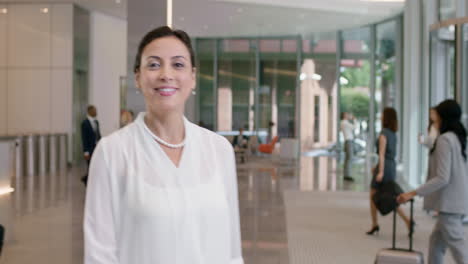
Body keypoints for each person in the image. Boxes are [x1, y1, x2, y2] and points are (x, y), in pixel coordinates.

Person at [84, 26, 243, 264]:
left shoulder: (219, 149)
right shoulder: (112, 152)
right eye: (154, 64)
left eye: (178, 64)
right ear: (137, 77)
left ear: (192, 77)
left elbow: (232, 251)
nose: (166, 74)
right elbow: (100, 254)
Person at [398, 99, 468, 264]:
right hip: (456, 201)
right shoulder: (458, 138)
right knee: (436, 243)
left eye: (435, 114)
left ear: (443, 117)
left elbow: (442, 177)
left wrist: (412, 193)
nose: (433, 118)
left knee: (458, 248)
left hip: (449, 204)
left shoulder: (444, 140)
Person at [367, 107, 412, 235]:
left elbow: (381, 154)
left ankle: (375, 224)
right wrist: (377, 168)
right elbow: (388, 154)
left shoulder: (383, 134)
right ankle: (408, 221)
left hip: (384, 167)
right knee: (389, 196)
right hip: (391, 166)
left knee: (373, 196)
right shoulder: (393, 134)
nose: (380, 116)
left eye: (382, 114)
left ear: (386, 117)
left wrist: (380, 171)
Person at [81, 105, 101, 186]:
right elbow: (84, 138)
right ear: (89, 112)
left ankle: (86, 179)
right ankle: (87, 181)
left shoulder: (96, 122)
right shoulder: (84, 123)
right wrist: (86, 152)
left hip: (96, 148)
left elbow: (98, 135)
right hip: (89, 149)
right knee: (90, 166)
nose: (96, 112)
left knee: (95, 166)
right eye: (94, 110)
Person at [340, 112, 356, 181]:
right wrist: (354, 119)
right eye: (346, 114)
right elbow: (354, 127)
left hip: (348, 141)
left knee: (347, 159)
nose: (348, 115)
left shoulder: (344, 123)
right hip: (348, 141)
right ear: (343, 116)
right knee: (349, 158)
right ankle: (347, 175)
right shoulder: (344, 122)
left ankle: (346, 175)